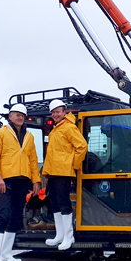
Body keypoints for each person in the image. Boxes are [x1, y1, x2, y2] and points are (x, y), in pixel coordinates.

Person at [0, 103, 41, 261]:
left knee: (16, 217)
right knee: (4, 215)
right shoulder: (1, 134)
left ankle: (6, 254)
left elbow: (33, 160)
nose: (20, 117)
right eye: (17, 115)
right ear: (10, 117)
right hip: (6, 180)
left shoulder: (29, 137)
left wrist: (36, 181)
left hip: (22, 181)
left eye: (22, 115)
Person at [42, 99, 88, 250]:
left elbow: (82, 146)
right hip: (53, 172)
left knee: (63, 202)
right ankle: (60, 235)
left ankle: (69, 236)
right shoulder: (56, 129)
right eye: (53, 112)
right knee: (54, 203)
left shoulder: (69, 127)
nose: (55, 114)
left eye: (58, 112)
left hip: (63, 171)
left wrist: (73, 165)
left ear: (64, 112)